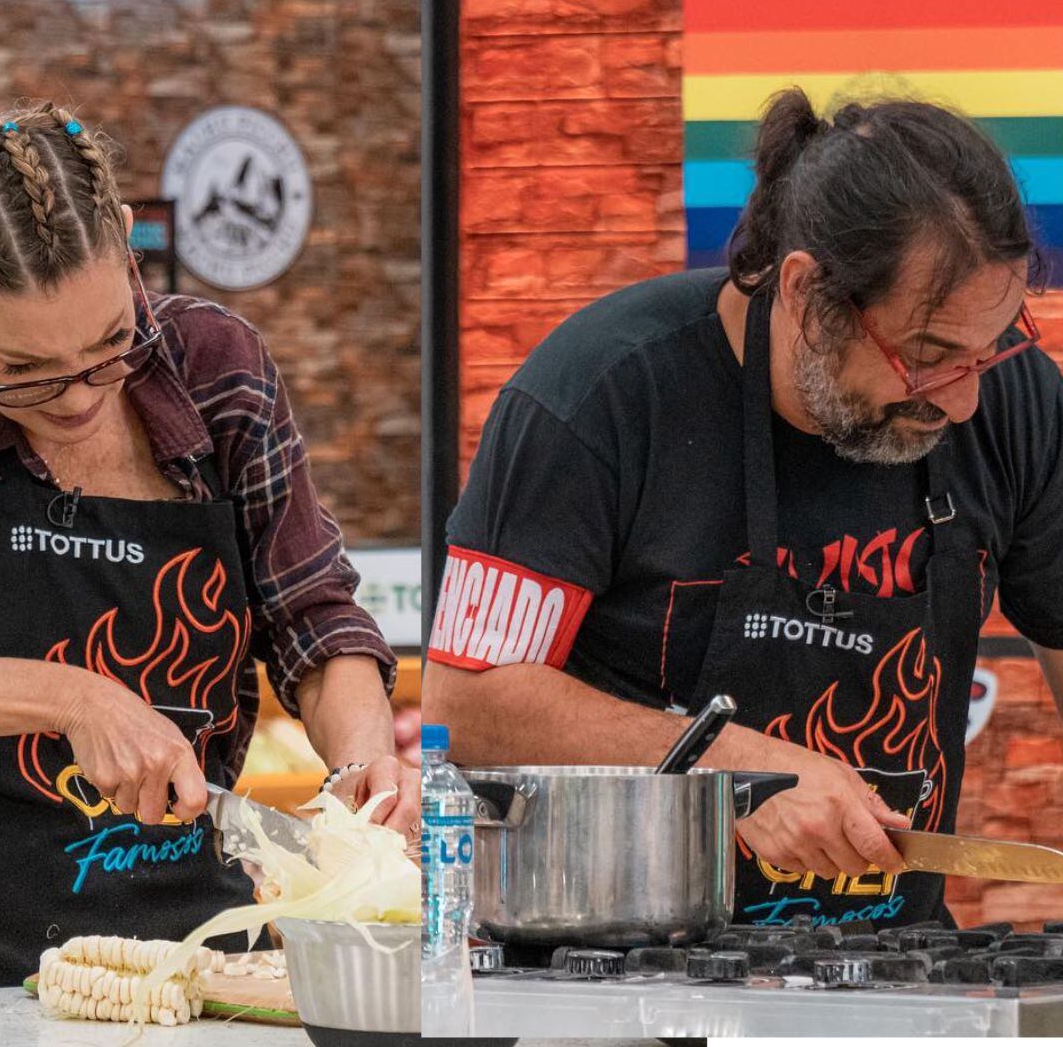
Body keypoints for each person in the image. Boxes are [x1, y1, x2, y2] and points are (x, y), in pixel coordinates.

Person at [0, 102, 418, 986]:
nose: (81, 398)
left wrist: (363, 768)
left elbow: (314, 619)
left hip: (195, 936)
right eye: (24, 373)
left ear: (125, 245)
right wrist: (74, 699)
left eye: (110, 344)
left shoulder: (217, 366)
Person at [424, 88, 1063, 929]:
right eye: (929, 357)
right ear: (805, 291)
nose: (967, 401)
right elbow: (464, 703)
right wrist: (725, 765)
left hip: (900, 972)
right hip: (613, 967)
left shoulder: (1011, 401)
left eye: (994, 345)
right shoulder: (602, 394)